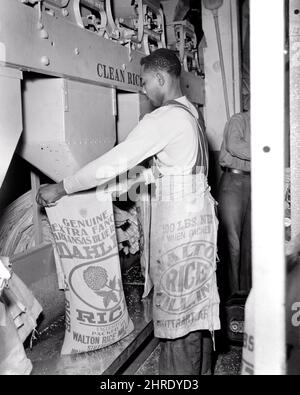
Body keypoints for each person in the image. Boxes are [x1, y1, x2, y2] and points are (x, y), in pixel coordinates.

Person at [36, 48, 220, 375]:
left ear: (161, 78)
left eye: (147, 82)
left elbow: (113, 161)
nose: (144, 90)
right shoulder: (190, 112)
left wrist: (62, 187)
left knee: (177, 321)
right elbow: (179, 168)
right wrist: (127, 185)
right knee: (196, 313)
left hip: (180, 227)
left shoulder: (163, 118)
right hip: (197, 223)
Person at [217, 108, 251, 300]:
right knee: (233, 244)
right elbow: (233, 145)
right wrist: (267, 150)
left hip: (253, 182)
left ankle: (247, 297)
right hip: (233, 182)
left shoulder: (267, 125)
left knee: (249, 244)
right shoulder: (239, 120)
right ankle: (233, 297)